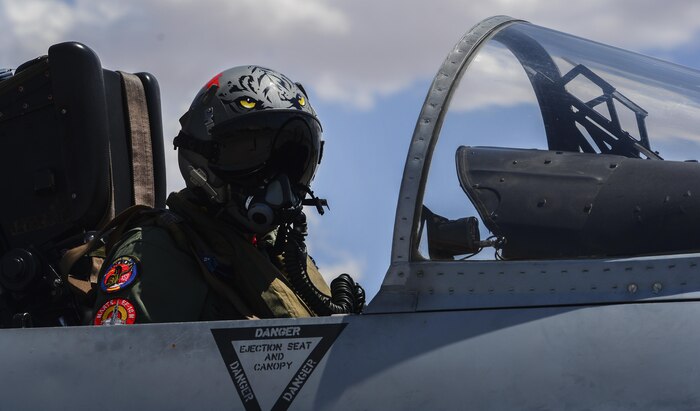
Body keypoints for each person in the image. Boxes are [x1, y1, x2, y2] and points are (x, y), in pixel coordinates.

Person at [91, 66, 364, 325]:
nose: (278, 181)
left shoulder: (280, 254)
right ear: (201, 161)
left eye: (292, 162)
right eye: (250, 154)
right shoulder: (157, 251)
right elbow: (121, 365)